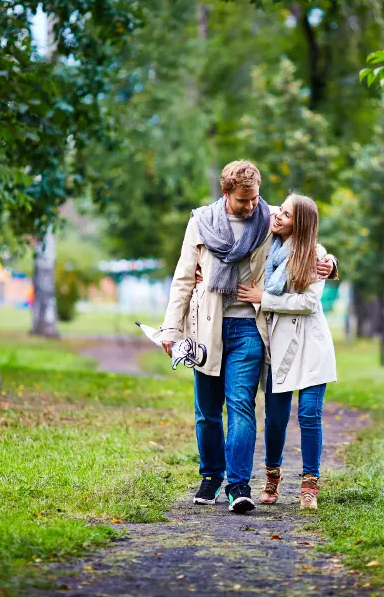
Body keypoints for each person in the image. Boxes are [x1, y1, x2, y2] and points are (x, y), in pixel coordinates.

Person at [156, 161, 335, 514]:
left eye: (255, 199)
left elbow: (303, 240)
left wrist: (330, 261)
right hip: (207, 325)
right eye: (243, 201)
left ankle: (238, 486)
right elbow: (181, 278)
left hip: (249, 327)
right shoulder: (201, 223)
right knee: (207, 410)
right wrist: (170, 329)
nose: (252, 207)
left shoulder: (267, 219)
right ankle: (211, 476)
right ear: (226, 194)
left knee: (240, 404)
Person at [236, 193, 337, 510]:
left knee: (309, 414)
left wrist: (263, 297)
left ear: (301, 224)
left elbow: (308, 304)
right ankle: (272, 476)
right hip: (277, 345)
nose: (278, 215)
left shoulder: (315, 256)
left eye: (288, 214)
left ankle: (309, 484)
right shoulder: (265, 248)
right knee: (276, 419)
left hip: (311, 346)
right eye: (281, 209)